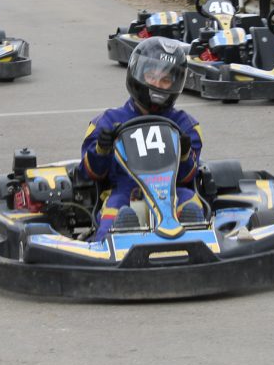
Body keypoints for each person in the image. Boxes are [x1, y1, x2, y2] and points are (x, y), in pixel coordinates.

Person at [81, 37, 204, 240]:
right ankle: (114, 242)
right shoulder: (107, 121)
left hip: (171, 193)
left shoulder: (186, 125)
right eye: (151, 76)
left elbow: (187, 178)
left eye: (166, 80)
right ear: (137, 74)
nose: (158, 84)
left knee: (191, 204)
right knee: (117, 212)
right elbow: (89, 173)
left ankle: (197, 244)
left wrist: (183, 155)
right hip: (124, 192)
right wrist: (101, 150)